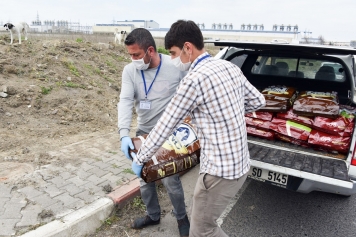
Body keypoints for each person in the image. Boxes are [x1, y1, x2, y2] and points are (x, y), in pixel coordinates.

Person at [131, 20, 266, 237]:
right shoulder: (229, 67)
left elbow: (166, 125)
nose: (173, 59)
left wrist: (140, 159)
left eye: (174, 53)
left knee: (201, 230)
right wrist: (227, 113)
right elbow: (258, 101)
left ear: (188, 47)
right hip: (240, 166)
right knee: (204, 222)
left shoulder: (193, 80)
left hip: (218, 172)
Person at [117, 28, 190, 237]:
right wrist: (124, 134)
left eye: (137, 55)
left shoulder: (175, 66)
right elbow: (125, 101)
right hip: (144, 132)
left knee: (170, 179)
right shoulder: (130, 71)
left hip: (169, 134)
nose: (133, 60)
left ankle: (181, 217)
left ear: (150, 50)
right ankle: (153, 214)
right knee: (143, 176)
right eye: (130, 55)